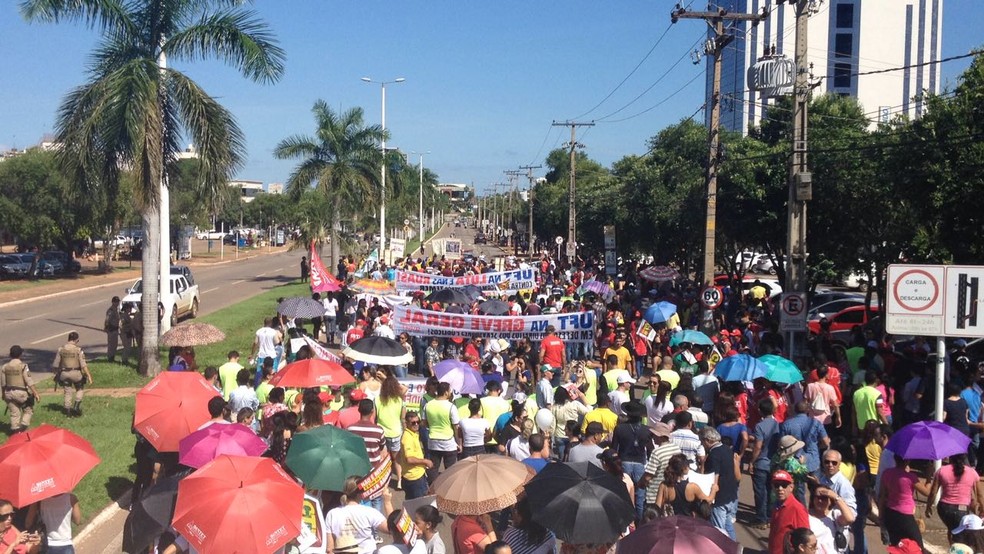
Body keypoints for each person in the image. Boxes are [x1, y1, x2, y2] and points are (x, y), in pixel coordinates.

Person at [324, 476, 394, 554]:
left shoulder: (332, 514)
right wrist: (387, 502)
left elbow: (329, 549)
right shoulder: (369, 512)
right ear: (361, 493)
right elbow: (392, 529)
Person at [878, 453, 932, 548]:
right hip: (905, 516)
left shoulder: (887, 473)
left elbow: (882, 496)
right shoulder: (910, 477)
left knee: (896, 545)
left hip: (890, 512)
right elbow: (927, 492)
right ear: (907, 461)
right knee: (918, 546)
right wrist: (928, 478)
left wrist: (881, 516)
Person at [611, 401, 650, 521]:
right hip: (640, 463)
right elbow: (649, 449)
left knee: (624, 493)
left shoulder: (620, 428)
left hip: (625, 461)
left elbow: (614, 448)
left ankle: (626, 520)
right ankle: (638, 522)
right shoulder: (646, 430)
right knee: (639, 496)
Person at [926, 453, 980, 541]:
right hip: (962, 509)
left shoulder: (941, 470)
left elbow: (933, 492)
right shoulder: (972, 472)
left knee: (952, 529)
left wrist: (928, 507)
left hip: (944, 508)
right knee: (960, 534)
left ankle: (952, 546)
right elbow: (979, 495)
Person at [348, 399, 388, 513]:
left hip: (357, 471)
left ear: (359, 411)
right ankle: (375, 528)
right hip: (374, 472)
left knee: (360, 498)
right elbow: (382, 448)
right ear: (372, 411)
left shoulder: (350, 429)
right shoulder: (378, 430)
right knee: (376, 498)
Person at [701, 426, 740, 540]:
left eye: (702, 441)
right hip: (731, 495)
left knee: (718, 530)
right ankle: (734, 548)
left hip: (720, 498)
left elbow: (714, 477)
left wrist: (709, 498)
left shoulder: (714, 455)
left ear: (708, 440)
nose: (702, 444)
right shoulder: (727, 449)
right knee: (728, 526)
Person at [655, 453, 716, 518]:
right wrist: (714, 489)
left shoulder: (664, 486)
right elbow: (708, 500)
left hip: (671, 523)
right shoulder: (692, 487)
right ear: (684, 468)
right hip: (688, 523)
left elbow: (657, 507)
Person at [639, 422, 682, 512]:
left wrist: (640, 484)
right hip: (671, 492)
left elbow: (648, 477)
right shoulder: (676, 448)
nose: (652, 437)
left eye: (654, 435)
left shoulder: (657, 452)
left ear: (660, 436)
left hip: (654, 494)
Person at [423, 382, 461, 481]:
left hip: (433, 440)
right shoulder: (451, 407)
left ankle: (433, 490)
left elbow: (424, 423)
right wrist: (459, 443)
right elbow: (456, 427)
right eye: (449, 391)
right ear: (445, 392)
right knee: (450, 470)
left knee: (433, 469)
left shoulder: (428, 405)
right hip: (448, 442)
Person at [376, 369, 407, 487]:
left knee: (384, 460)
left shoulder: (378, 399)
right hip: (395, 433)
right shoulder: (399, 400)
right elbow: (402, 418)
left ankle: (384, 481)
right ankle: (399, 480)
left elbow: (375, 416)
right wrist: (387, 379)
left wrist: (384, 379)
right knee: (397, 459)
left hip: (381, 433)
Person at [52, 331, 93, 417]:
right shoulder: (78, 350)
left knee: (67, 391)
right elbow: (83, 365)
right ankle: (76, 405)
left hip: (64, 374)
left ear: (68, 339)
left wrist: (56, 374)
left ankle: (67, 411)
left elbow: (55, 365)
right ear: (76, 340)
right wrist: (89, 376)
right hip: (76, 374)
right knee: (80, 389)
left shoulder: (61, 349)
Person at [1, 346, 40, 433]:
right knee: (28, 410)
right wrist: (36, 393)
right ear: (21, 354)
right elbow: (29, 381)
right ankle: (22, 428)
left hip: (8, 393)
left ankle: (15, 432)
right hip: (21, 394)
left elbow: (3, 384)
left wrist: (3, 394)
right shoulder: (23, 366)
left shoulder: (5, 367)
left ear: (10, 354)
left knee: (14, 414)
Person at [769, 470, 810, 554]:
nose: (780, 489)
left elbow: (805, 539)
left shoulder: (797, 509)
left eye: (784, 485)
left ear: (791, 487)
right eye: (777, 485)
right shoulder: (776, 505)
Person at [807, 484, 855, 554]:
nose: (820, 501)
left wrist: (835, 497)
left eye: (824, 498)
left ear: (830, 501)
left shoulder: (834, 515)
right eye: (818, 497)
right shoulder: (805, 515)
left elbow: (850, 519)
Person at [401, 411, 433, 500]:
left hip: (417, 475)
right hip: (414, 479)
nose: (416, 424)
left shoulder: (414, 433)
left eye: (418, 422)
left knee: (412, 504)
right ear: (407, 423)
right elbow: (409, 459)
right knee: (420, 505)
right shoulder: (407, 438)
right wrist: (425, 461)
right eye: (413, 423)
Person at [249, 318, 282, 387]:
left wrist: (252, 354)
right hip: (272, 356)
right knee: (273, 372)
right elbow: (277, 342)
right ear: (271, 323)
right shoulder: (273, 332)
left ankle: (258, 386)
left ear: (264, 323)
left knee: (259, 373)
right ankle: (273, 386)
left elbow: (255, 343)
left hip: (261, 355)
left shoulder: (259, 331)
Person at [103, 296, 122, 362]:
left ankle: (112, 357)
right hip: (111, 330)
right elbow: (107, 320)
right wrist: (106, 327)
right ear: (113, 302)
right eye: (116, 302)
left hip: (115, 329)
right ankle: (110, 358)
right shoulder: (110, 310)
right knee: (111, 345)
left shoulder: (116, 310)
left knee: (115, 344)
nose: (117, 303)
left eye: (118, 302)